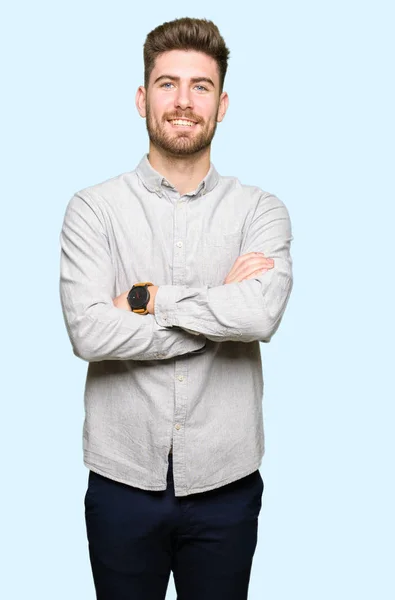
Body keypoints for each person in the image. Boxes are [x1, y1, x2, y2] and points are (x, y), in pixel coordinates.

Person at [59, 16, 293, 600]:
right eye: (167, 84)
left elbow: (260, 315)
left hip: (226, 483)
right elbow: (89, 330)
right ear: (142, 98)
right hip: (121, 482)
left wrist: (149, 300)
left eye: (200, 86)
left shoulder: (261, 211)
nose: (183, 102)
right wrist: (218, 318)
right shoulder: (93, 210)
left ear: (223, 104)